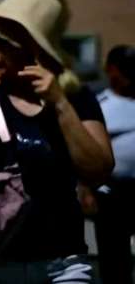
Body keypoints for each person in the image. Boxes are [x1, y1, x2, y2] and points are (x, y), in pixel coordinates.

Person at [0, 0, 113, 283]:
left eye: (2, 41)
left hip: (63, 261)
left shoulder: (74, 96)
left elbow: (98, 171)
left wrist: (59, 104)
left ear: (34, 48)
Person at [96, 45, 135, 284]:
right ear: (110, 70)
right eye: (126, 69)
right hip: (112, 193)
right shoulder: (99, 105)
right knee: (114, 259)